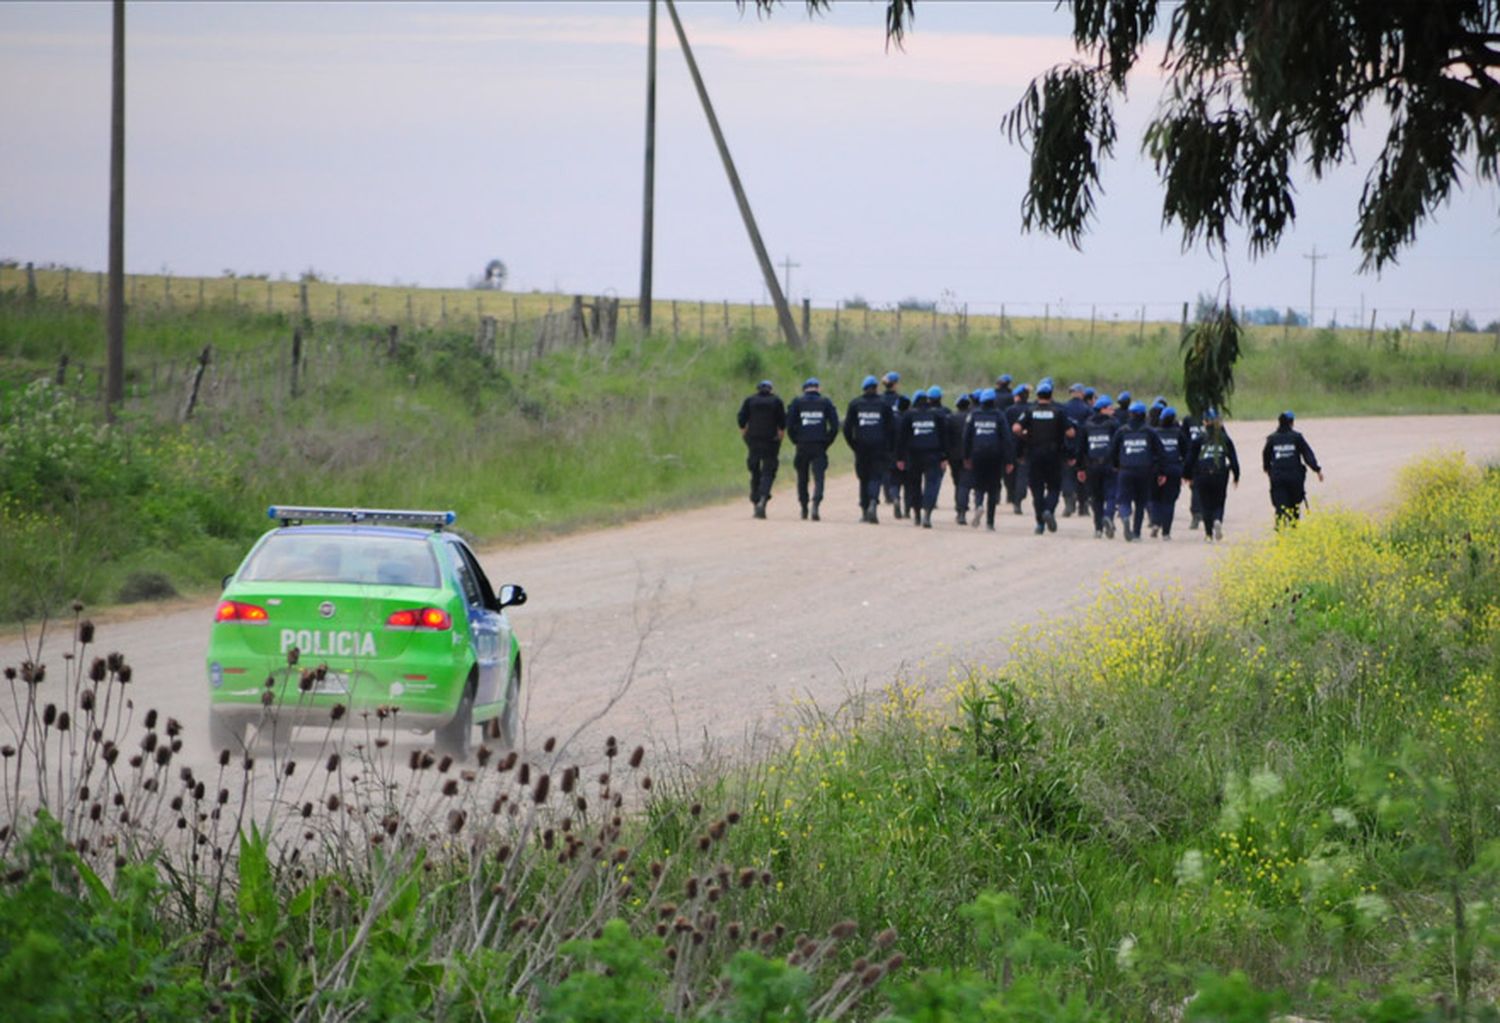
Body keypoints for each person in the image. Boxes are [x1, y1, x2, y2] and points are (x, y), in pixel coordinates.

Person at [1014, 379, 1077, 535]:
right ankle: (1048, 510)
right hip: (1054, 455)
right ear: (1051, 395)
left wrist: (1025, 436)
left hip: (1034, 454)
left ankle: (1040, 524)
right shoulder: (1058, 412)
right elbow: (1071, 432)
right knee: (1054, 487)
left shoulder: (1030, 411)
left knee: (1037, 490)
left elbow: (1016, 428)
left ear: (1038, 395)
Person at [844, 375, 898, 524]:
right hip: (879, 447)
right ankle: (873, 501)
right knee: (875, 476)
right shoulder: (884, 405)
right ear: (876, 388)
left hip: (861, 447)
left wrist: (853, 445)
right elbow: (892, 428)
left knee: (863, 478)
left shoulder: (855, 404)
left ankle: (864, 509)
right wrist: (890, 448)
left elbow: (847, 428)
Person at [1109, 401, 1165, 542]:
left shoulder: (1122, 431)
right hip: (1145, 472)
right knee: (1141, 503)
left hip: (1125, 470)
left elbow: (1112, 451)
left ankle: (1126, 516)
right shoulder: (1150, 431)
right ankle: (1136, 533)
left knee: (1124, 500)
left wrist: (1116, 466)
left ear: (1130, 414)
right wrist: (1160, 472)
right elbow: (1160, 453)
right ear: (1144, 415)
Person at [786, 377, 839, 521]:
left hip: (802, 445)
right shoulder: (825, 402)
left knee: (802, 478)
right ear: (818, 388)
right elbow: (835, 426)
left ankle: (804, 507)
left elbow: (789, 425)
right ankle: (816, 504)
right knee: (819, 477)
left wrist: (796, 440)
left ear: (805, 389)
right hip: (819, 445)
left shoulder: (797, 402)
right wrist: (826, 442)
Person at [1183, 408, 1240, 541]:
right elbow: (1233, 459)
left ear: (1204, 422)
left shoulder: (1199, 439)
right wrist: (1236, 475)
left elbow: (1189, 460)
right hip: (1220, 474)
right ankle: (1217, 520)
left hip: (1202, 475)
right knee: (1219, 501)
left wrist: (1187, 475)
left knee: (1205, 504)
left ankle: (1208, 534)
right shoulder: (1225, 438)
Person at [896, 387, 949, 529]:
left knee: (914, 485)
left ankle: (917, 515)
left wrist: (900, 458)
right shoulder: (937, 415)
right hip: (933, 455)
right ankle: (927, 514)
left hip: (913, 456)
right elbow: (944, 437)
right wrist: (944, 457)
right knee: (931, 484)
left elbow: (901, 438)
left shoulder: (908, 415)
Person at [1262, 410, 1323, 527]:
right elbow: (1307, 454)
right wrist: (1317, 469)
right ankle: (1294, 529)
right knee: (1295, 505)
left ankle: (1280, 531)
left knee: (1280, 505)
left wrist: (1267, 468)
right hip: (1295, 477)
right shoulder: (1297, 437)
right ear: (1292, 423)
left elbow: (1265, 454)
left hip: (1278, 477)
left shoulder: (1272, 439)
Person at [963, 388, 1012, 531]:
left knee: (978, 485)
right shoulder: (999, 416)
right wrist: (1009, 460)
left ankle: (978, 505)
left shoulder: (973, 415)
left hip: (977, 454)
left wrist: (966, 456)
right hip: (995, 456)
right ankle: (990, 522)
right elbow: (1006, 438)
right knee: (993, 488)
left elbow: (966, 437)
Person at [737, 379, 785, 519]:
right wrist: (780, 435)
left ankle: (755, 499)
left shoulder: (750, 400)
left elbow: (741, 418)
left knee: (755, 471)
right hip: (771, 440)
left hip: (753, 440)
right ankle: (763, 499)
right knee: (768, 471)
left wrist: (745, 432)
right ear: (771, 389)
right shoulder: (776, 401)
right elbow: (782, 422)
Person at [1077, 395, 1119, 539]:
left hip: (1092, 466)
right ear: (1102, 409)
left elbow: (1081, 449)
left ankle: (1098, 528)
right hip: (1109, 466)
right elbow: (1118, 445)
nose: (1113, 410)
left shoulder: (1086, 425)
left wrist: (1080, 468)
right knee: (1111, 494)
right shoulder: (1114, 424)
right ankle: (1108, 516)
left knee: (1096, 498)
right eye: (1110, 407)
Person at [1148, 406, 1188, 540]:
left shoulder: (1154, 433)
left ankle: (1155, 522)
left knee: (1155, 499)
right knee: (1169, 502)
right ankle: (1166, 532)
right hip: (1173, 470)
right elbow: (1186, 454)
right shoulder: (1179, 434)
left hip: (1155, 470)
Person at [879, 371, 911, 517]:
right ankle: (904, 501)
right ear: (896, 384)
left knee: (888, 469)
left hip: (885, 439)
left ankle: (889, 495)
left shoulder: (880, 400)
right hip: (902, 439)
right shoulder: (902, 400)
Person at [1060, 383, 1093, 518]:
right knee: (1082, 476)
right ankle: (1083, 506)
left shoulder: (1063, 409)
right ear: (1082, 393)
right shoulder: (1087, 410)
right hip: (1083, 448)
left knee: (1067, 475)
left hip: (1066, 447)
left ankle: (1069, 501)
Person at [945, 391, 974, 524]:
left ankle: (959, 510)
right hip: (968, 455)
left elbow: (947, 438)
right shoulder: (972, 417)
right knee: (964, 484)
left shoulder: (951, 418)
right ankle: (962, 510)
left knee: (958, 482)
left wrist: (945, 455)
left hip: (953, 456)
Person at [1003, 383, 1031, 515]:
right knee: (1022, 475)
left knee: (1010, 474)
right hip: (1027, 446)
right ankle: (1018, 499)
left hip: (1011, 446)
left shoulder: (1009, 411)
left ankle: (1013, 496)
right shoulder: (1032, 409)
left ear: (1018, 397)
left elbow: (1006, 430)